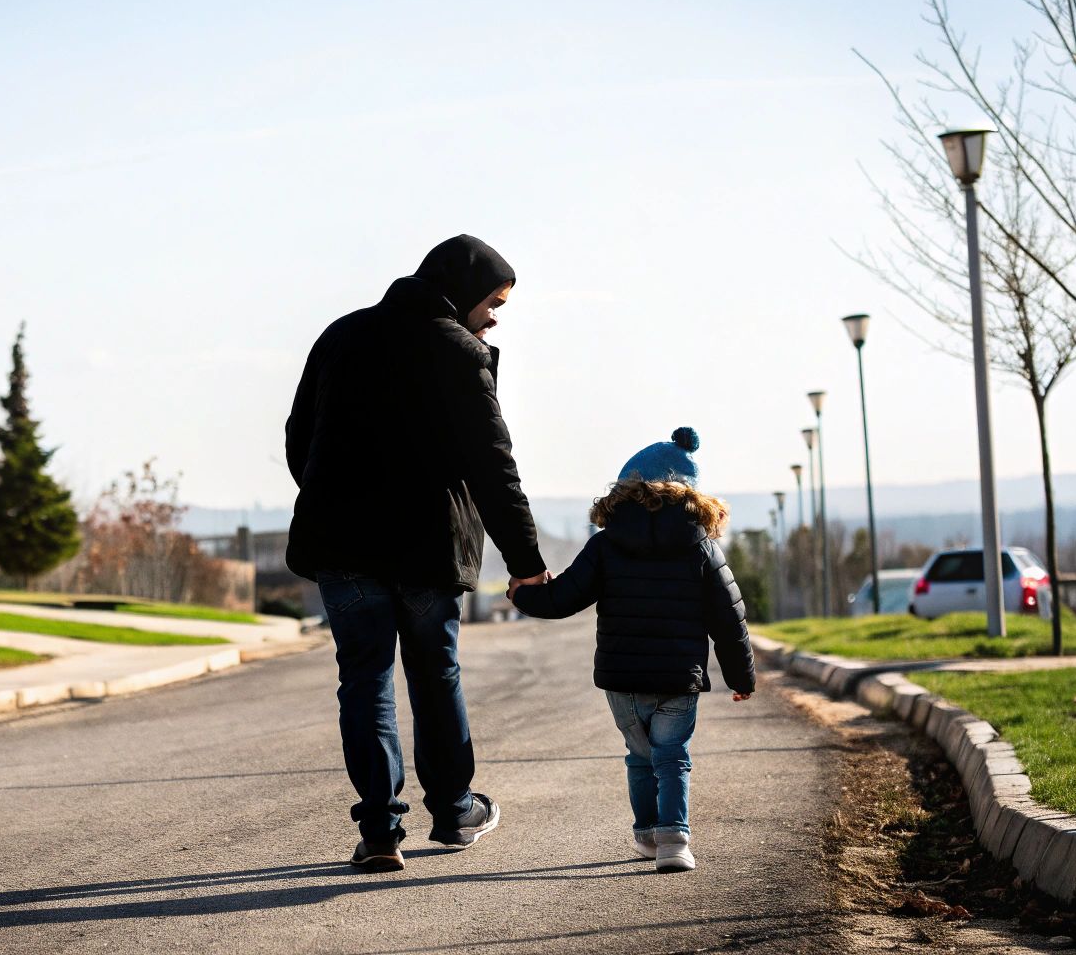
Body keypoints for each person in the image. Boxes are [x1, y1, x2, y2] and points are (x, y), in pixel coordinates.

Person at [285, 234, 550, 872]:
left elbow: (300, 439)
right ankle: (455, 811)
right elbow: (494, 466)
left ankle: (379, 829)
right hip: (429, 545)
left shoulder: (341, 335)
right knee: (435, 676)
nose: (496, 314)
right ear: (462, 293)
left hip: (343, 545)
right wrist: (526, 561)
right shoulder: (460, 352)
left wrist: (337, 497)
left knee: (365, 680)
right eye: (494, 301)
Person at [509, 427, 755, 873]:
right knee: (672, 755)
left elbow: (565, 597)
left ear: (624, 491)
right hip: (679, 678)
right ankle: (674, 840)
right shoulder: (700, 546)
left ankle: (646, 834)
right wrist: (741, 679)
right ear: (690, 495)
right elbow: (729, 617)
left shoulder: (606, 544)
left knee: (641, 756)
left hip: (622, 679)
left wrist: (521, 594)